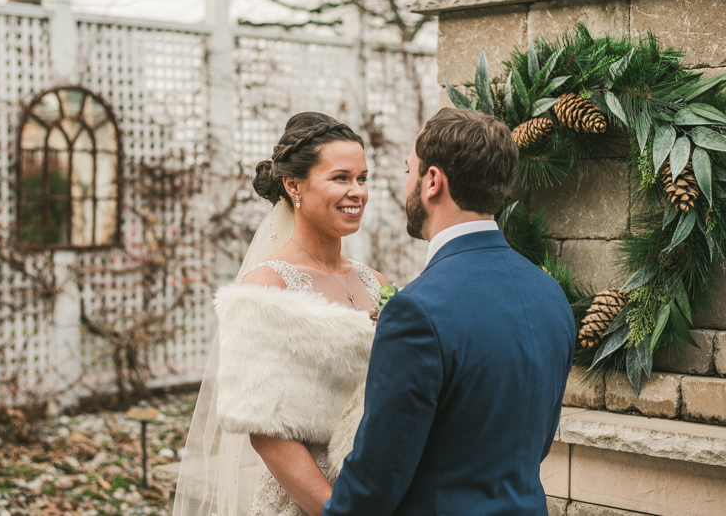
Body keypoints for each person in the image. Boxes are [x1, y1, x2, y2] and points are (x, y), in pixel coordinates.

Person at [323, 108, 576, 516]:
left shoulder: (417, 312)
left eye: (410, 171)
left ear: (433, 182)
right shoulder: (550, 294)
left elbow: (376, 478)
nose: (405, 183)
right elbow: (536, 441)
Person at [173, 112, 386, 516]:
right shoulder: (266, 287)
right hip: (309, 502)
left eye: (363, 178)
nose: (357, 191)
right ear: (293, 185)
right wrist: (337, 510)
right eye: (341, 178)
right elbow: (267, 432)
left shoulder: (376, 282)